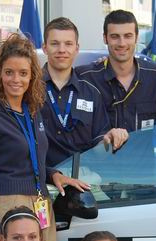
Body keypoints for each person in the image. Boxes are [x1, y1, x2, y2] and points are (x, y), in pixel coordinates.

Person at [0, 34, 88, 241]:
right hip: (9, 204)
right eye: (9, 72)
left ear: (32, 76)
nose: (16, 79)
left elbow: (30, 159)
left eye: (23, 73)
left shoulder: (32, 113)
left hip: (41, 204)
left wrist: (53, 174)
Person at [40, 17, 130, 166]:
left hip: (80, 181)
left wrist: (110, 138)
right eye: (55, 44)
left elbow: (99, 149)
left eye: (68, 44)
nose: (62, 50)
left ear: (76, 48)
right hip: (38, 183)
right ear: (44, 48)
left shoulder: (91, 93)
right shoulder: (29, 89)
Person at [77, 10, 156, 132]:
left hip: (142, 151)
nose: (122, 43)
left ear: (136, 37)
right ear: (105, 38)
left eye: (128, 36)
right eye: (115, 36)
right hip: (101, 151)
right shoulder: (84, 78)